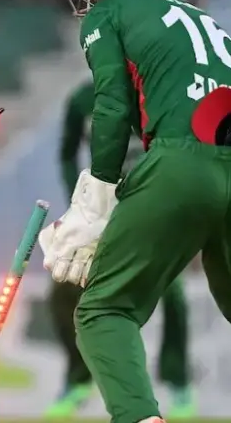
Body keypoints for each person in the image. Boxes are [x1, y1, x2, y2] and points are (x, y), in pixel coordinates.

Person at [39, 0, 231, 423]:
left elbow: (112, 105)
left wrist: (97, 196)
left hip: (181, 163)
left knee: (103, 309)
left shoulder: (111, 12)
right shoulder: (204, 20)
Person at [48, 80, 194, 418]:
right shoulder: (82, 99)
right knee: (63, 288)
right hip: (103, 213)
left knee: (172, 293)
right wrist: (79, 200)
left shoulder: (158, 88)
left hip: (152, 208)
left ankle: (178, 381)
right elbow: (67, 153)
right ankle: (78, 377)